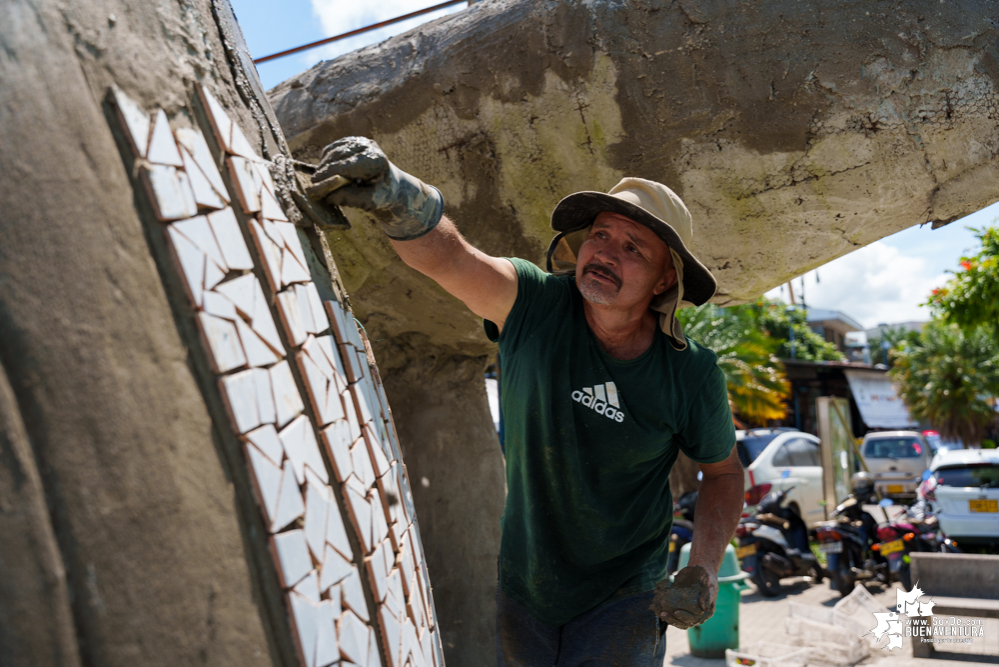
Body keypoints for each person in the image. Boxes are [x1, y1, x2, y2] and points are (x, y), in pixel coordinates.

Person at [312, 137, 744, 666]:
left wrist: (702, 568)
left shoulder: (690, 372)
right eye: (600, 234)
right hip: (526, 581)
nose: (606, 252)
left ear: (665, 279)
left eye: (634, 248)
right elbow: (452, 258)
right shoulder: (534, 303)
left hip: (627, 592)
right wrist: (396, 194)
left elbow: (723, 473)